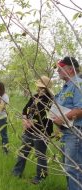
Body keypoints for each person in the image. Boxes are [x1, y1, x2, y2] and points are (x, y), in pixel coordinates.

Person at [12, 76, 54, 184]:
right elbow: (25, 110)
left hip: (41, 132)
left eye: (40, 86)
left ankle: (40, 178)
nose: (38, 88)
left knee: (40, 156)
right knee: (22, 152)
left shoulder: (51, 100)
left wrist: (34, 124)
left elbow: (49, 117)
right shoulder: (34, 97)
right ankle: (16, 173)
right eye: (38, 86)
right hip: (28, 131)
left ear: (45, 88)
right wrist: (25, 121)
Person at [53, 57, 82, 190]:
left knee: (73, 169)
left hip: (74, 132)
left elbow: (80, 109)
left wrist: (62, 118)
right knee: (69, 168)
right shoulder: (66, 87)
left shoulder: (78, 84)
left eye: (61, 68)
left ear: (70, 69)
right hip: (66, 132)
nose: (58, 70)